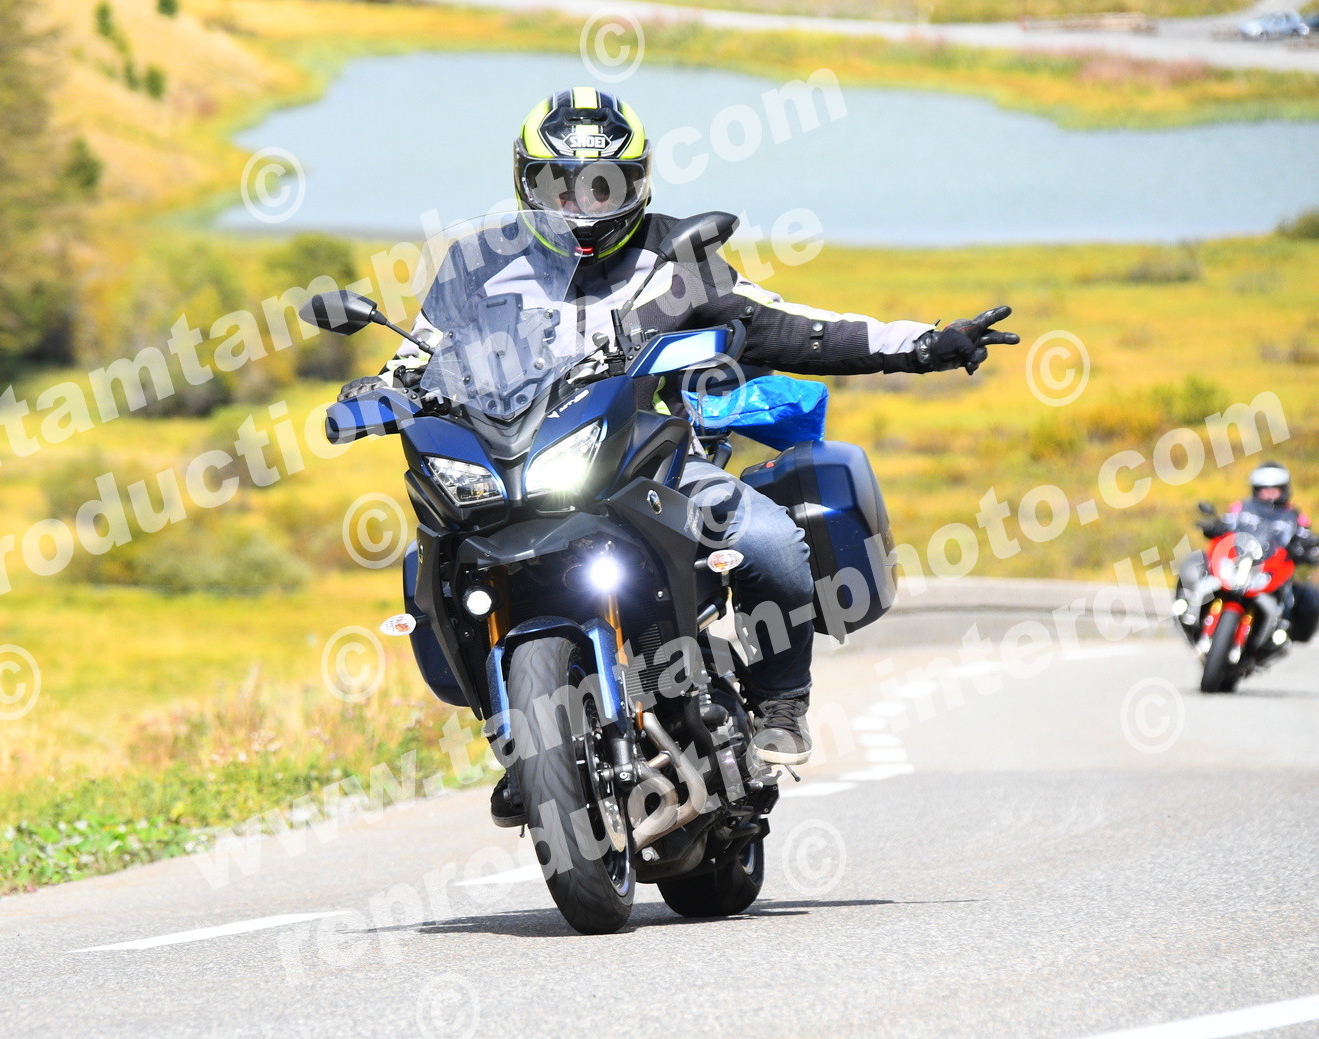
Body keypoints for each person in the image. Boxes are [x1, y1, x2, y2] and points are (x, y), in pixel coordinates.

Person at [335, 88, 1020, 824]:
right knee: (439, 561)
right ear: (526, 182)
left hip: (645, 457)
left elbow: (790, 327)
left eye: (602, 187)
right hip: (516, 462)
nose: (580, 205)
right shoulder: (478, 263)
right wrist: (375, 391)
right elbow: (421, 354)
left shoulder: (675, 258)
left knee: (771, 539)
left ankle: (781, 702)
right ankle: (519, 741)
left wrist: (922, 343)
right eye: (559, 185)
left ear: (637, 183)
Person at [1183, 462, 1319, 639]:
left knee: (1300, 596)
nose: (1269, 493)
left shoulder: (1295, 517)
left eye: (1274, 489)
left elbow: (1306, 537)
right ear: (1256, 489)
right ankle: (1187, 605)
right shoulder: (1242, 507)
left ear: (1284, 489)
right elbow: (1226, 523)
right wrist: (1213, 525)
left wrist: (1308, 549)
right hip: (1239, 562)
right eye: (1264, 489)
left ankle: (1280, 628)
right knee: (1196, 561)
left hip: (1269, 569)